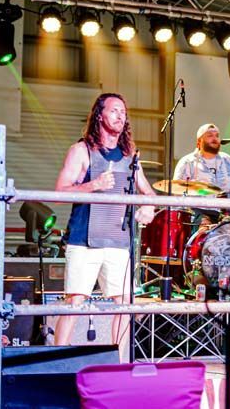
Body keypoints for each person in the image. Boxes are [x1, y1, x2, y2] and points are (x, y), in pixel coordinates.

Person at [54, 93, 156, 355]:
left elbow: (149, 192)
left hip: (118, 241)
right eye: (114, 111)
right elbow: (60, 192)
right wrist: (94, 185)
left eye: (123, 112)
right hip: (84, 240)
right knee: (75, 303)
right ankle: (57, 366)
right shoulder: (81, 151)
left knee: (124, 304)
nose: (120, 116)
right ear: (99, 115)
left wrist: (148, 206)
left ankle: (119, 363)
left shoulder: (129, 155)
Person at [173, 123, 230, 193]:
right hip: (197, 203)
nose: (214, 138)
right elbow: (177, 189)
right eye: (210, 135)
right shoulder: (187, 161)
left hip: (223, 203)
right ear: (199, 141)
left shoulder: (227, 159)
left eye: (217, 136)